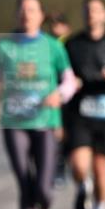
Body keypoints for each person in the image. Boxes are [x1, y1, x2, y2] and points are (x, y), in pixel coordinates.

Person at [0, 0, 77, 209]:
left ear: (41, 16)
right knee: (25, 183)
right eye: (23, 10)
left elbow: (70, 80)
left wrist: (59, 95)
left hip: (44, 122)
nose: (27, 14)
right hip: (14, 123)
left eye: (33, 9)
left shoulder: (52, 46)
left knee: (43, 187)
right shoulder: (4, 46)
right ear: (17, 15)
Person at [63, 0, 105, 209]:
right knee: (79, 164)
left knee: (100, 168)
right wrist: (71, 82)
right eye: (88, 10)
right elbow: (61, 74)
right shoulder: (72, 45)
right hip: (80, 113)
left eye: (97, 10)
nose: (92, 14)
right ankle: (82, 186)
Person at [46, 13, 72, 187]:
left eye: (58, 24)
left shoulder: (70, 44)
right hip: (50, 95)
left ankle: (63, 166)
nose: (55, 28)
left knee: (65, 134)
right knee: (55, 133)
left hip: (68, 96)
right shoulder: (46, 44)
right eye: (52, 24)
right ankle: (56, 168)